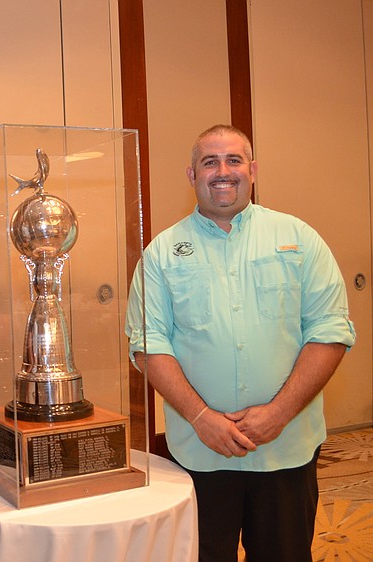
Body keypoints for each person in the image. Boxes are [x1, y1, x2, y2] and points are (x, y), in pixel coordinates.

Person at [125, 124, 355, 562]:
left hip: (285, 449)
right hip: (199, 453)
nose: (222, 171)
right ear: (192, 175)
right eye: (209, 162)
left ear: (252, 170)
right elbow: (149, 345)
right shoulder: (161, 254)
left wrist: (279, 413)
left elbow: (330, 332)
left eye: (234, 160)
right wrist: (201, 417)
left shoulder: (300, 239)